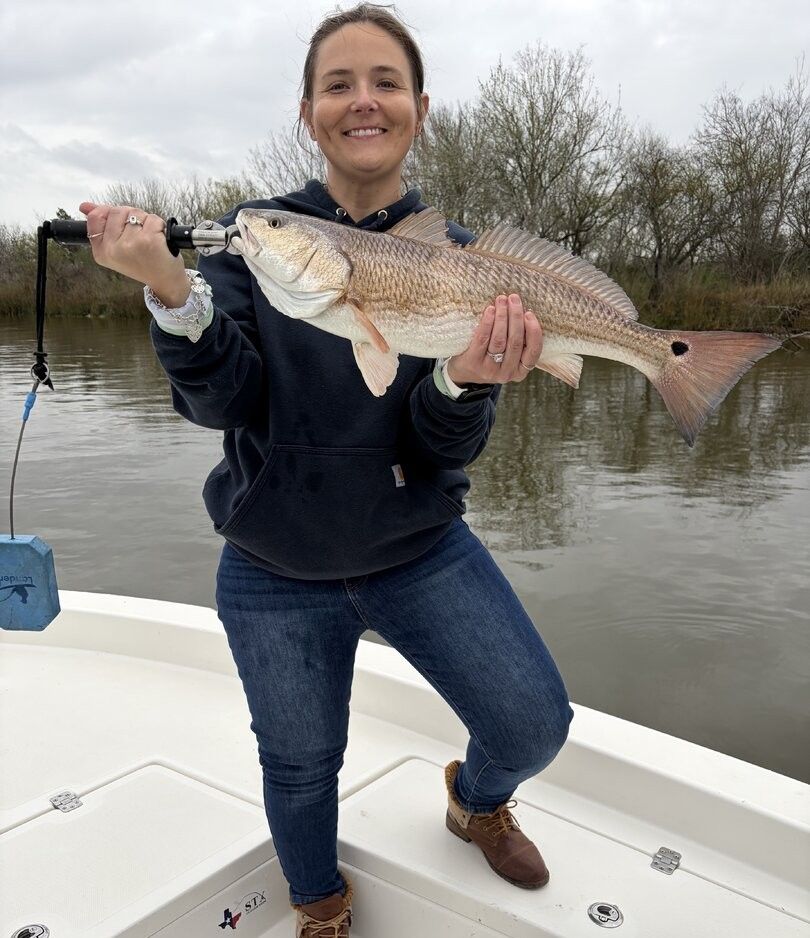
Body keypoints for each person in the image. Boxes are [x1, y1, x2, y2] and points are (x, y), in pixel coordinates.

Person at [80, 4, 574, 934]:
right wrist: (171, 289)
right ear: (308, 112)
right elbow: (220, 403)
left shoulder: (461, 262)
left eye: (385, 81)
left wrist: (464, 382)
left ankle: (476, 801)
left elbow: (438, 449)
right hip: (274, 561)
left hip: (415, 543)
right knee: (300, 765)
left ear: (419, 108)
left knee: (533, 722)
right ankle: (318, 905)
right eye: (338, 84)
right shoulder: (256, 236)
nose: (364, 101)